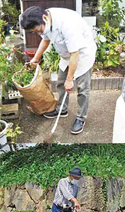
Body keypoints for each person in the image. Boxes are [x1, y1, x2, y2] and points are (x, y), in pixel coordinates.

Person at [21, 7, 97, 135]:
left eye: (38, 30)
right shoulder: (44, 19)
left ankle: (81, 118)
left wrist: (70, 79)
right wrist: (35, 58)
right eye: (35, 32)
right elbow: (46, 40)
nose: (38, 33)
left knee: (82, 90)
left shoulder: (67, 24)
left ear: (44, 19)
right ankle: (63, 109)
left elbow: (75, 54)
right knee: (61, 83)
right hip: (67, 56)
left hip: (82, 55)